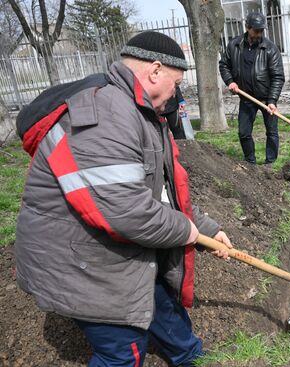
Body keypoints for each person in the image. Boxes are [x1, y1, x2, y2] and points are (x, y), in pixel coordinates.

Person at [14, 31, 233, 367]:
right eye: (176, 84)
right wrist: (187, 231)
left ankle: (191, 357)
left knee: (160, 298)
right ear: (155, 71)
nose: (177, 95)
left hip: (114, 248)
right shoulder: (106, 114)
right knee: (122, 351)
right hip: (82, 263)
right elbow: (127, 212)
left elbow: (162, 190)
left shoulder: (139, 112)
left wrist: (206, 229)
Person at [219, 12, 285, 166]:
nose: (259, 34)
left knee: (272, 132)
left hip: (267, 98)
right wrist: (230, 81)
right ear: (247, 28)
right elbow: (224, 65)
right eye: (256, 30)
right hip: (246, 97)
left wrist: (272, 101)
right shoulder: (234, 45)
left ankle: (270, 162)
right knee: (243, 133)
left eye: (261, 30)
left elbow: (278, 77)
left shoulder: (270, 49)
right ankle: (250, 162)